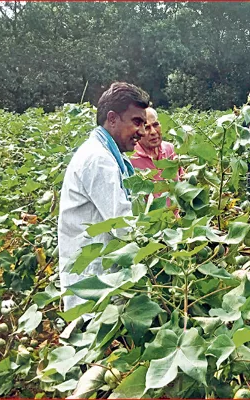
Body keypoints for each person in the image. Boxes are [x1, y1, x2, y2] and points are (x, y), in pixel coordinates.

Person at [58, 82, 150, 311]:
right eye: (136, 122)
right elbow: (123, 226)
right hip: (93, 288)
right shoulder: (98, 159)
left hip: (101, 282)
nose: (142, 131)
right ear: (112, 118)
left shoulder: (108, 154)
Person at [130, 107, 183, 201]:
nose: (153, 132)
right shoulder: (131, 157)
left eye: (155, 125)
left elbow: (182, 182)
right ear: (138, 131)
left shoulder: (170, 149)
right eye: (147, 127)